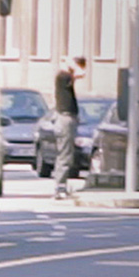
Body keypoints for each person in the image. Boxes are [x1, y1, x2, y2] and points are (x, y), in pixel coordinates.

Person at [51, 55, 86, 198]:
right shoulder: (63, 76)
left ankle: (61, 186)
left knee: (66, 154)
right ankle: (60, 188)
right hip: (65, 119)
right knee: (65, 155)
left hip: (65, 118)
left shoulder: (64, 77)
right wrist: (70, 62)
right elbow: (81, 73)